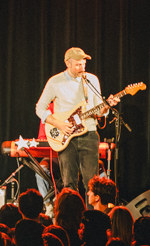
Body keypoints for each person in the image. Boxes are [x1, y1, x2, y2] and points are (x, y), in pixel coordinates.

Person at [35, 48, 118, 194]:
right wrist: (58, 123)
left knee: (92, 185)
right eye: (78, 65)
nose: (82, 68)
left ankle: (91, 216)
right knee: (69, 184)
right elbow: (40, 108)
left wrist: (107, 107)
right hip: (67, 137)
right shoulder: (55, 81)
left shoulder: (92, 79)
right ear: (67, 63)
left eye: (84, 64)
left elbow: (98, 110)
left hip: (90, 134)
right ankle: (70, 216)